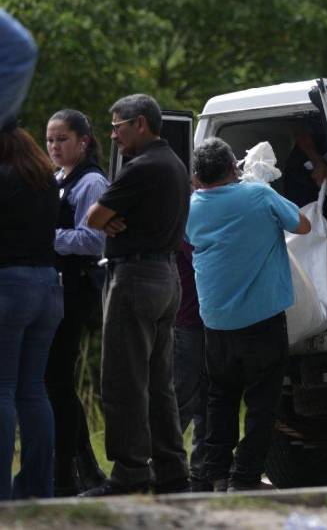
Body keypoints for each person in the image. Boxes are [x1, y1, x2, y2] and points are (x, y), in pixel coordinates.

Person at [186, 137, 310, 492]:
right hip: (262, 321)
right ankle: (245, 478)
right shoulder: (258, 196)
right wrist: (260, 190)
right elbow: (303, 226)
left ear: (197, 177)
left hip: (216, 323)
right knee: (262, 404)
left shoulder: (191, 208)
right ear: (233, 168)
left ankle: (216, 476)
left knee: (220, 401)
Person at [82, 94, 190, 496]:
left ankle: (129, 472)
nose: (112, 137)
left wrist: (107, 220)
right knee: (159, 382)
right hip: (167, 276)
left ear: (140, 123)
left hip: (135, 278)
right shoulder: (176, 164)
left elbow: (93, 218)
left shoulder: (140, 167)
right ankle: (171, 469)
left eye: (117, 127)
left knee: (124, 380)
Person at [0, 9, 63, 502]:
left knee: (0, 394)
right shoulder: (43, 177)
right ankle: (38, 488)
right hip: (49, 288)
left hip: (8, 288)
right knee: (33, 392)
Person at [44, 109, 109, 496]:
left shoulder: (91, 182)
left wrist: (45, 236)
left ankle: (78, 469)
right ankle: (77, 466)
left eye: (62, 139)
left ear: (83, 141)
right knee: (53, 382)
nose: (54, 147)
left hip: (76, 289)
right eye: (50, 140)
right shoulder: (55, 180)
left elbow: (94, 240)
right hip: (52, 288)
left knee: (57, 381)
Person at [173, 239, 209, 492]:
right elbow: (203, 262)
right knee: (183, 395)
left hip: (205, 316)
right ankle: (164, 466)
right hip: (189, 319)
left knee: (208, 398)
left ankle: (203, 469)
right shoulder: (188, 215)